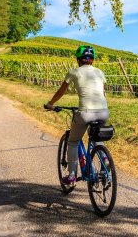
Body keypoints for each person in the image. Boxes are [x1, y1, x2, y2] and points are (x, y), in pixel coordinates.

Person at [43, 45, 108, 185]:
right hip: (103, 112)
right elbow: (102, 93)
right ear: (92, 60)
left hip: (85, 112)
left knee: (72, 141)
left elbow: (61, 92)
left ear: (79, 59)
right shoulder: (99, 72)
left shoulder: (74, 72)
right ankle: (105, 161)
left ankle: (72, 175)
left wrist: (50, 103)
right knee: (97, 138)